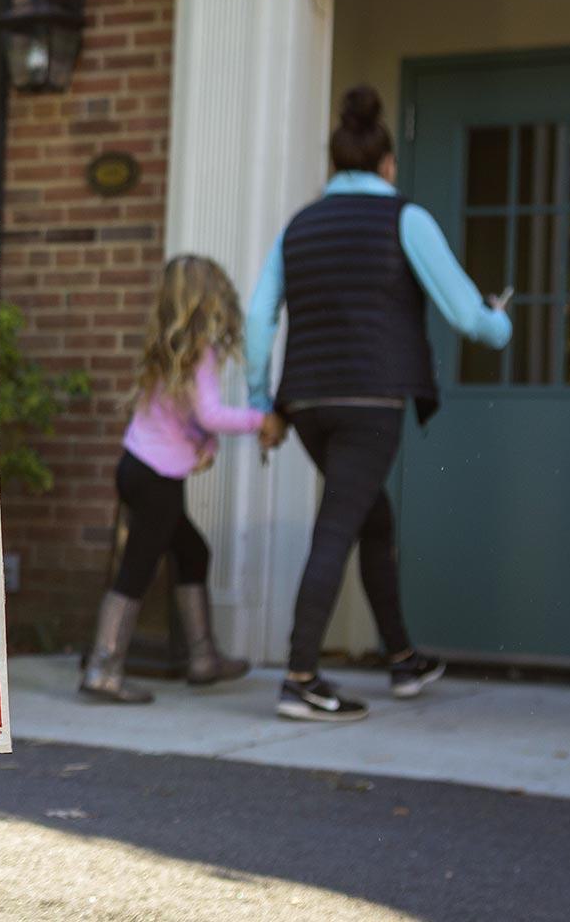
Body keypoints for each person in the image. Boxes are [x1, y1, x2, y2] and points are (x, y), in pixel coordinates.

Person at [247, 84, 512, 723]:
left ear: (334, 166)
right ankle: (301, 678)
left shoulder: (298, 225)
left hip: (307, 402)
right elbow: (465, 316)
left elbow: (259, 317)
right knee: (340, 524)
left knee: (372, 519)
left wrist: (264, 403)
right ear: (388, 164)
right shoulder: (405, 217)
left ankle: (403, 660)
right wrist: (500, 324)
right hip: (371, 402)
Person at [81, 256, 265, 703]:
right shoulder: (198, 350)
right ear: (210, 298)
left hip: (137, 467)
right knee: (138, 569)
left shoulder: (168, 349)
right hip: (157, 477)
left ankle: (203, 658)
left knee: (193, 550)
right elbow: (210, 414)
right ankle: (103, 668)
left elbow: (184, 419)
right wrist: (263, 420)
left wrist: (206, 446)